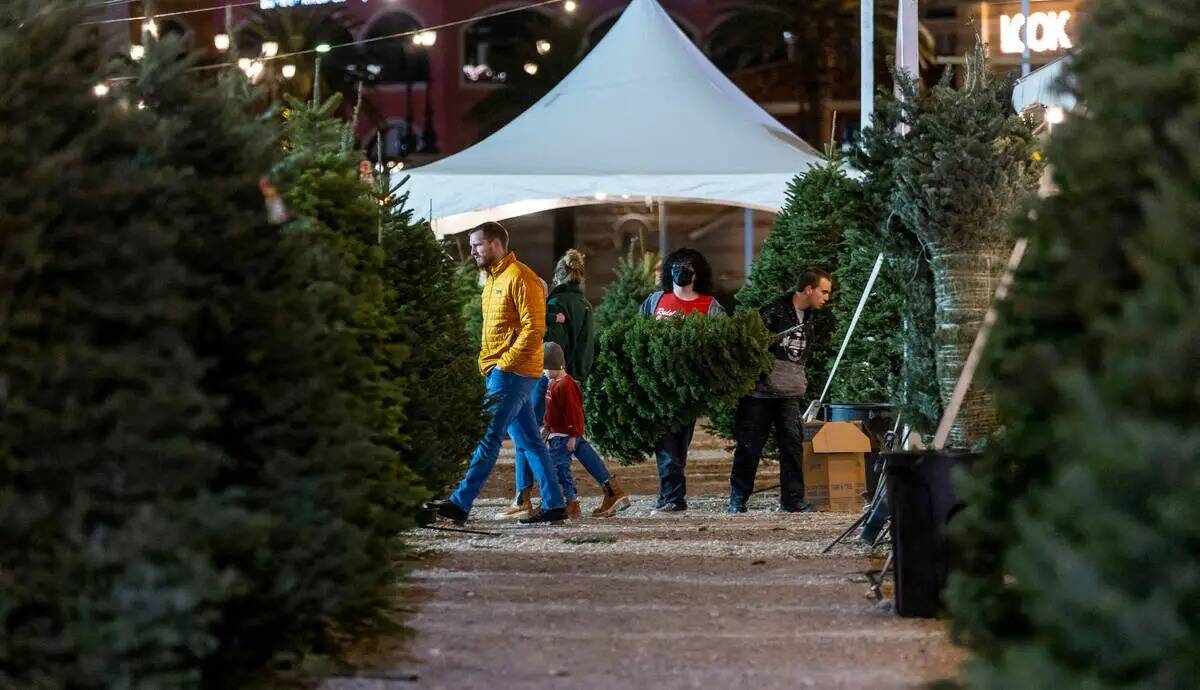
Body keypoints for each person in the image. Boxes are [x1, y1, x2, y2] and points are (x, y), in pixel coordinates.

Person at [425, 222, 568, 525]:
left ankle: (460, 503)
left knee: (488, 436)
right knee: (529, 441)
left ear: (494, 244)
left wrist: (505, 363)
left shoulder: (520, 277)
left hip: (512, 372)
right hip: (501, 370)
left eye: (477, 245)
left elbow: (534, 329)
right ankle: (555, 504)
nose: (472, 251)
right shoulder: (493, 280)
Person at [498, 250, 629, 519]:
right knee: (571, 436)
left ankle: (523, 498)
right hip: (573, 377)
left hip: (550, 377)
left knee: (527, 432)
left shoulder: (556, 303)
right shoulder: (585, 305)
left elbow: (549, 346)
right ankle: (609, 490)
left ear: (557, 276)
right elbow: (587, 346)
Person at [728, 268, 833, 514]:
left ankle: (793, 500)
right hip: (759, 396)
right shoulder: (772, 312)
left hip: (789, 395)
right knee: (750, 446)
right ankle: (738, 499)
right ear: (808, 289)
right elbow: (750, 347)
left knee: (793, 446)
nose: (827, 297)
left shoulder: (809, 317)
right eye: (824, 291)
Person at [639, 248, 725, 514]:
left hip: (689, 390)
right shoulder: (655, 301)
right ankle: (673, 498)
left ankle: (672, 496)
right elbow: (637, 337)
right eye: (677, 265)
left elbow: (722, 344)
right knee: (665, 444)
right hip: (658, 387)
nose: (681, 270)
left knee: (678, 447)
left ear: (697, 273)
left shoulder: (710, 307)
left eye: (688, 266)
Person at [540, 341, 631, 517]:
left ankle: (570, 502)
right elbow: (552, 409)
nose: (543, 373)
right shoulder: (553, 382)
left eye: (545, 368)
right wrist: (547, 426)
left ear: (554, 365)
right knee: (590, 460)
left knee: (559, 468)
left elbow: (574, 411)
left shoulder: (566, 385)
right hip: (558, 432)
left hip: (563, 436)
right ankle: (613, 493)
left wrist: (574, 434)